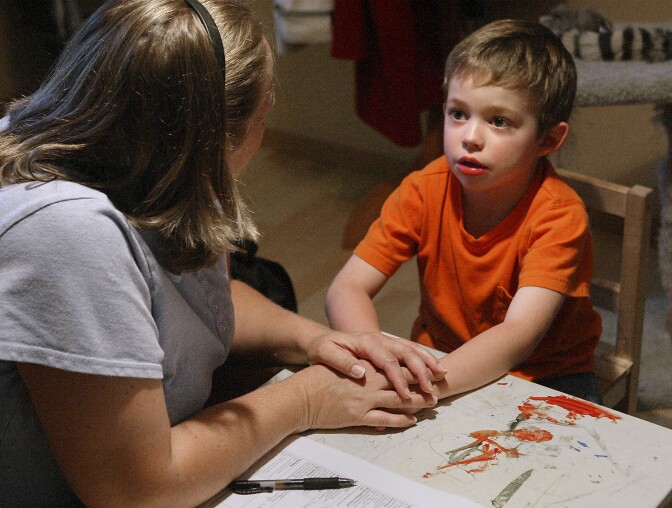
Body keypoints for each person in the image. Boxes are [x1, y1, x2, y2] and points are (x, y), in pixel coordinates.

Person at [0, 1, 447, 505]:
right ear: (218, 137)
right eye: (265, 114)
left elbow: (198, 305)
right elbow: (139, 490)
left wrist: (317, 340)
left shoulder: (149, 155)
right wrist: (305, 399)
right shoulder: (64, 231)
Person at [326, 19, 603, 405]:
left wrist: (418, 389)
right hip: (442, 360)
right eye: (458, 113)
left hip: (547, 373)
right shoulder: (424, 189)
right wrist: (374, 357)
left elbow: (518, 336)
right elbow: (347, 287)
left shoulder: (559, 216)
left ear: (548, 139)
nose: (470, 137)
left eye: (499, 121)